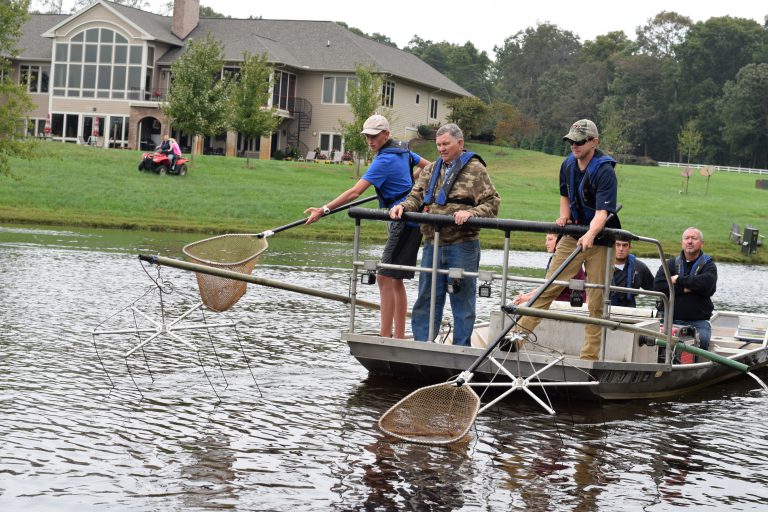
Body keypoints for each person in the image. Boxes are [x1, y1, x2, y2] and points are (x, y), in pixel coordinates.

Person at [305, 114, 429, 339]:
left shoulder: (383, 161)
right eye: (367, 137)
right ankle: (398, 336)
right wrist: (411, 184)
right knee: (395, 278)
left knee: (383, 277)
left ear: (386, 135)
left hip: (404, 220)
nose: (370, 141)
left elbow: (354, 192)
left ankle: (386, 337)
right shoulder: (402, 151)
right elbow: (428, 167)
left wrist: (323, 210)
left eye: (374, 136)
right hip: (410, 218)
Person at [514, 119, 620, 360]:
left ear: (594, 142)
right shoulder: (567, 165)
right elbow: (565, 195)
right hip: (573, 234)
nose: (574, 145)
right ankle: (516, 339)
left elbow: (602, 213)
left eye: (580, 141)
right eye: (571, 141)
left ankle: (589, 357)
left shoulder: (605, 170)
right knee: (548, 286)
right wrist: (564, 217)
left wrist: (591, 234)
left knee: (596, 300)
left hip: (601, 239)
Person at [390, 123, 500, 346]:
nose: (441, 148)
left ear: (460, 143)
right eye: (439, 144)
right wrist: (403, 207)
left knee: (462, 299)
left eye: (446, 144)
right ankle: (423, 345)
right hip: (432, 243)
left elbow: (492, 203)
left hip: (462, 244)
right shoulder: (430, 169)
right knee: (426, 297)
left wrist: (471, 212)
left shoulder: (476, 169)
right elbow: (415, 197)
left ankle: (461, 349)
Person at [653, 227, 717, 351]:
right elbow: (658, 286)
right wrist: (684, 289)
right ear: (682, 242)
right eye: (686, 238)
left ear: (702, 243)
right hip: (669, 320)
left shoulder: (709, 266)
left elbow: (706, 285)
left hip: (698, 322)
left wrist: (678, 279)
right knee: (655, 343)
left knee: (702, 342)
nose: (689, 241)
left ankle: (695, 369)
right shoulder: (670, 264)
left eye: (694, 238)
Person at [513, 233, 586, 305]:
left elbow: (549, 290)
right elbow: (545, 286)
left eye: (550, 239)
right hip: (555, 300)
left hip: (567, 303)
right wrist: (526, 295)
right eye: (546, 240)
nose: (546, 243)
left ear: (561, 241)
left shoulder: (566, 261)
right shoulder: (554, 259)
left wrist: (527, 299)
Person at [610, 237, 654, 308]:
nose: (621, 249)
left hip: (629, 311)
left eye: (624, 245)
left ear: (630, 247)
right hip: (605, 307)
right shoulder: (601, 265)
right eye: (617, 245)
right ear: (612, 246)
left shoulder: (639, 267)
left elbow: (655, 288)